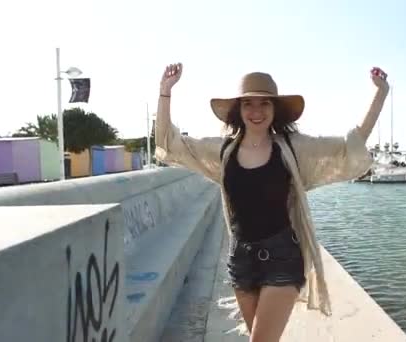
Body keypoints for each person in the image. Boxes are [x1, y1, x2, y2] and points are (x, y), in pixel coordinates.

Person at [154, 63, 389, 342]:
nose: (256, 111)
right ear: (238, 111)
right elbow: (169, 143)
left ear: (275, 109)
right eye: (248, 104)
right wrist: (165, 92)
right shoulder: (223, 150)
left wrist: (381, 93)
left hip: (282, 257)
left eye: (264, 103)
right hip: (240, 260)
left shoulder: (292, 147)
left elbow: (352, 143)